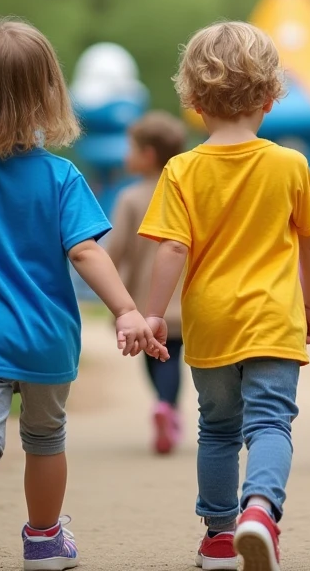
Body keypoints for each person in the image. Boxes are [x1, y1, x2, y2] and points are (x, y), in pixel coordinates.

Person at [0, 18, 166, 571]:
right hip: (47, 337)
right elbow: (87, 252)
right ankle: (44, 541)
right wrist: (126, 309)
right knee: (45, 438)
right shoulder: (62, 177)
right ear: (49, 95)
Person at [138, 21, 310, 571]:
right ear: (271, 95)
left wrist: (154, 314)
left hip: (210, 320)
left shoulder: (181, 169)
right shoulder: (290, 163)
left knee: (217, 427)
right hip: (274, 316)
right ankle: (261, 511)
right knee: (270, 422)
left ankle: (220, 537)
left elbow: (171, 250)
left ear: (193, 99)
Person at [106, 110, 188, 455]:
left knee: (154, 359)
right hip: (184, 300)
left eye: (132, 148)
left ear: (149, 154)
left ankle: (162, 406)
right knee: (173, 355)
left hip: (143, 303)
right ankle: (167, 407)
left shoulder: (130, 197)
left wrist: (113, 298)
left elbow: (115, 251)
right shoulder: (188, 192)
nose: (127, 156)